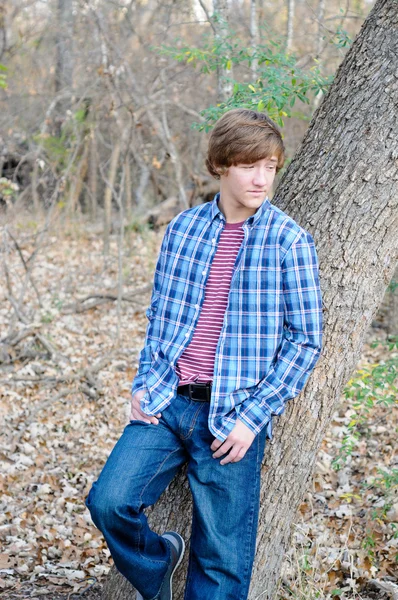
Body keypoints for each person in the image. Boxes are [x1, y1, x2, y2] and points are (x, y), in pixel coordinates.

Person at [85, 108, 323, 600]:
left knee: (221, 564)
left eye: (271, 167)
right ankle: (157, 564)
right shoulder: (183, 230)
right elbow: (161, 319)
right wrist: (144, 386)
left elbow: (305, 340)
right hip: (168, 404)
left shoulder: (288, 242)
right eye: (249, 165)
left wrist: (251, 419)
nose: (261, 179)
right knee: (109, 502)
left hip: (232, 418)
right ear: (221, 165)